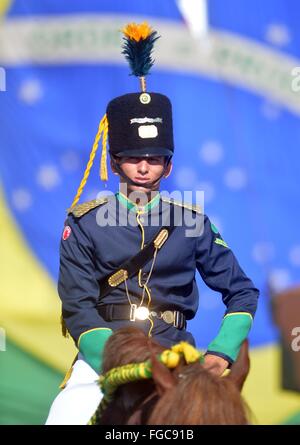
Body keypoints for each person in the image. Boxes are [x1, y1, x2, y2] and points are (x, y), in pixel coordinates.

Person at [46, 22, 259, 425]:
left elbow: (242, 293)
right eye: (133, 156)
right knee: (67, 415)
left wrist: (220, 354)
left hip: (179, 357)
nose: (144, 166)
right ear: (114, 162)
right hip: (107, 362)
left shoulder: (192, 221)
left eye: (156, 157)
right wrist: (121, 361)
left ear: (169, 163)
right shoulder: (84, 223)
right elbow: (78, 309)